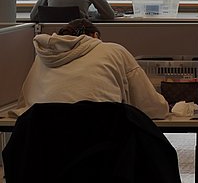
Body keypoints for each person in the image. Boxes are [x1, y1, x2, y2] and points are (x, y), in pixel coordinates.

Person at [11, 18, 170, 120]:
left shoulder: (43, 57)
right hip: (100, 146)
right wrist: (168, 107)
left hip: (45, 151)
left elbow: (25, 103)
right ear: (95, 36)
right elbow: (151, 107)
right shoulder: (113, 50)